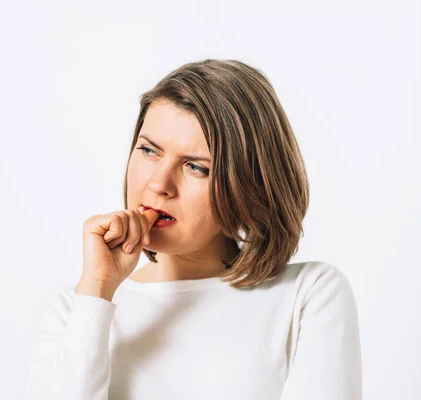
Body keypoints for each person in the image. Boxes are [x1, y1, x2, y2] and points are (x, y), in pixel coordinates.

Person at [23, 59, 362, 399]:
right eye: (149, 150)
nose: (159, 184)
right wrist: (97, 289)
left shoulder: (308, 296)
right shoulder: (77, 309)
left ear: (248, 183)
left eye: (196, 167)